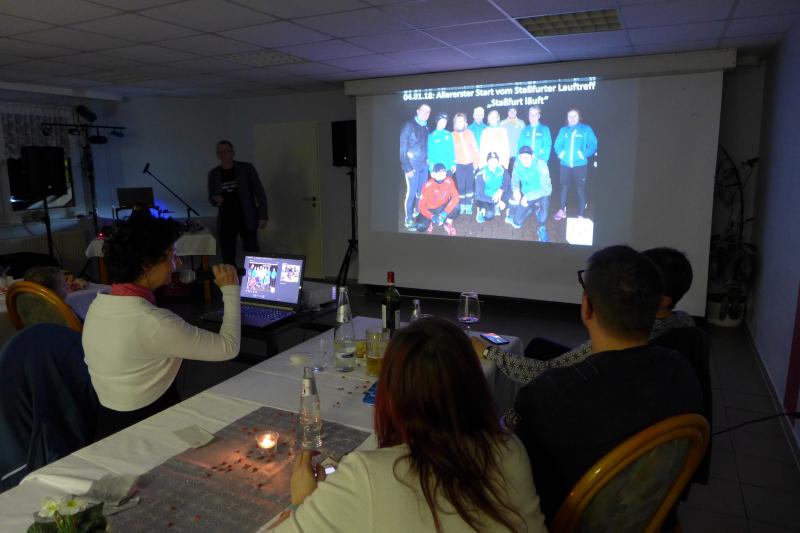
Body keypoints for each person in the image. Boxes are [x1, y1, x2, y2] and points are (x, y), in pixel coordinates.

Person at [269, 318, 547, 533]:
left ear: (391, 393)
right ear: (473, 384)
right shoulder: (511, 449)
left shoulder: (367, 474)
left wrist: (302, 503)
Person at [510, 245, 703, 524]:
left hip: (565, 521)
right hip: (650, 517)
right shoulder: (681, 369)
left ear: (587, 307)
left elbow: (508, 463)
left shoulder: (548, 395)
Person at [82, 214, 241, 439]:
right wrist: (231, 290)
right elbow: (228, 347)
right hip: (150, 426)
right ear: (146, 265)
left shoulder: (98, 305)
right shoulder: (154, 322)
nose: (179, 264)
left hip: (107, 424)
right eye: (172, 256)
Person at [479, 247, 696, 384]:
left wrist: (489, 352)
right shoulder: (684, 322)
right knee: (539, 346)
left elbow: (544, 374)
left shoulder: (614, 343)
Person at [208, 140, 268, 265]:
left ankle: (255, 276)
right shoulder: (214, 174)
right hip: (226, 218)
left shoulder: (246, 168)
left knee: (252, 251)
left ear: (232, 152)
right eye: (220, 152)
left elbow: (259, 192)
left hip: (246, 216)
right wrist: (215, 199)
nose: (223, 154)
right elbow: (211, 197)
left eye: (226, 151)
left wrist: (263, 216)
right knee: (227, 253)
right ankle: (230, 277)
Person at [553, 109, 597, 220]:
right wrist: (562, 155)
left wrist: (583, 154)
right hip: (565, 165)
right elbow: (557, 145)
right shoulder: (563, 130)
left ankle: (581, 214)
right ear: (567, 118)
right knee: (564, 188)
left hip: (580, 165)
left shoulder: (585, 129)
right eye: (570, 116)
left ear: (579, 117)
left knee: (580, 189)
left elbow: (593, 144)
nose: (572, 118)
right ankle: (562, 210)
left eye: (575, 116)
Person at [509, 146, 552, 242]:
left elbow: (547, 189)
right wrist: (516, 190)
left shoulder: (541, 164)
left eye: (527, 157)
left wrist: (527, 197)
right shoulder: (517, 164)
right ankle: (534, 208)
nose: (524, 160)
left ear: (532, 156)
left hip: (541, 193)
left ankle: (541, 226)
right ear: (519, 157)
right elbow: (514, 180)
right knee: (517, 222)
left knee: (545, 207)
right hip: (527, 193)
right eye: (522, 157)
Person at [399, 104, 431, 230]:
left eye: (428, 112)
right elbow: (402, 148)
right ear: (417, 111)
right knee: (411, 192)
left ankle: (417, 211)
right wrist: (406, 167)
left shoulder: (426, 127)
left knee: (421, 191)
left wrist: (427, 158)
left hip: (424, 165)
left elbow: (426, 145)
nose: (425, 113)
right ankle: (408, 219)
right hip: (412, 165)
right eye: (423, 111)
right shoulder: (409, 125)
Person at [413, 163, 459, 235]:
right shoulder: (428, 185)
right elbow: (421, 205)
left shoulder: (449, 181)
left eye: (443, 171)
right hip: (430, 209)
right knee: (420, 226)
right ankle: (430, 222)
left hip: (443, 207)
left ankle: (447, 223)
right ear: (433, 174)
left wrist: (445, 212)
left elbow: (456, 197)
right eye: (438, 172)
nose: (442, 173)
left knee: (456, 207)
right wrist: (432, 216)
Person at [451, 112, 480, 215]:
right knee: (461, 185)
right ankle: (462, 203)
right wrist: (453, 164)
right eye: (458, 121)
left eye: (462, 120)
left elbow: (475, 148)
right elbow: (451, 151)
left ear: (465, 122)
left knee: (469, 185)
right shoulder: (452, 135)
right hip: (459, 164)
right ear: (455, 122)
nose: (460, 122)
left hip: (470, 164)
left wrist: (476, 161)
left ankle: (468, 205)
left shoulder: (469, 133)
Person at [474, 152, 510, 223]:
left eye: (495, 160)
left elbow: (508, 181)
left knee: (513, 193)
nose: (493, 162)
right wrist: (497, 202)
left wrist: (501, 189)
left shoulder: (501, 169)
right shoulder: (482, 173)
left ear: (498, 161)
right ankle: (481, 209)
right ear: (487, 162)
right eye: (491, 160)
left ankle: (511, 212)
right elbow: (479, 195)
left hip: (498, 193)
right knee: (489, 215)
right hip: (485, 197)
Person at [517, 106, 552, 176]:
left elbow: (547, 146)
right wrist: (520, 160)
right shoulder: (525, 130)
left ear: (539, 116)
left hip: (540, 162)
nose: (533, 117)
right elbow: (519, 145)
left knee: (541, 182)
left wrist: (543, 161)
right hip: (526, 163)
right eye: (531, 114)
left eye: (535, 114)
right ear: (528, 116)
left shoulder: (544, 129)